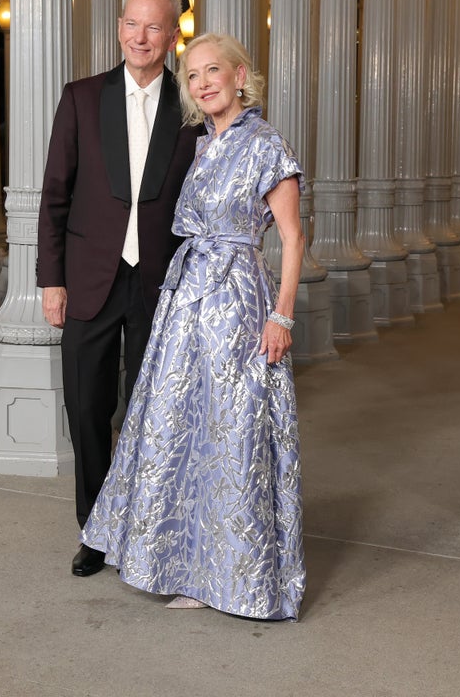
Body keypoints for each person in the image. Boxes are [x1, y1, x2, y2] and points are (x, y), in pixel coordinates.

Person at [79, 33, 307, 620]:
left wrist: (281, 315)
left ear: (239, 76)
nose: (203, 83)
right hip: (187, 301)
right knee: (182, 426)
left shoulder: (264, 143)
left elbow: (291, 238)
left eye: (213, 71)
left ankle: (236, 576)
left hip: (237, 299)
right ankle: (186, 566)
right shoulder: (201, 145)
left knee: (233, 432)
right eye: (193, 75)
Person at [37, 0, 203, 578]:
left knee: (149, 410)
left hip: (162, 282)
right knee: (87, 407)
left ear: (171, 36)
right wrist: (50, 280)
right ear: (117, 27)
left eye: (154, 27)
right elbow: (55, 195)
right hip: (88, 279)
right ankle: (96, 530)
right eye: (132, 24)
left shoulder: (191, 106)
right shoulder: (82, 98)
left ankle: (146, 530)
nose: (140, 36)